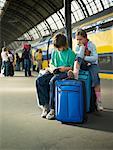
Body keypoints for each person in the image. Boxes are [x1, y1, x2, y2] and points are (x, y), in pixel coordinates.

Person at [36, 34, 76, 120]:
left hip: (65, 72)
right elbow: (52, 63)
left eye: (60, 47)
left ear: (64, 45)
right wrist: (52, 68)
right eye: (57, 47)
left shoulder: (71, 53)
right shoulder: (55, 51)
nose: (58, 49)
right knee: (40, 80)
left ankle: (52, 108)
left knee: (53, 81)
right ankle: (45, 105)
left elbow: (72, 67)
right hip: (55, 71)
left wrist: (63, 68)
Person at [68, 29, 103, 111]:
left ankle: (99, 101)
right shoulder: (78, 46)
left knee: (96, 80)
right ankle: (75, 74)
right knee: (78, 58)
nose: (78, 41)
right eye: (77, 39)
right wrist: (82, 48)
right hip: (82, 64)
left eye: (80, 39)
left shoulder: (92, 45)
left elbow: (95, 58)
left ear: (85, 38)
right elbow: (78, 57)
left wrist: (85, 57)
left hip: (92, 65)